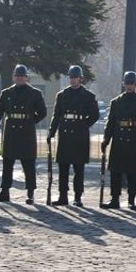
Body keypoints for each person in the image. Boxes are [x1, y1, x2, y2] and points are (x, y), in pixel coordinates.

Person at [0, 64, 47, 203]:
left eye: (22, 76)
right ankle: (5, 190)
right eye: (17, 76)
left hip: (26, 130)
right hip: (11, 129)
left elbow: (42, 112)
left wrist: (30, 120)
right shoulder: (6, 93)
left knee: (28, 162)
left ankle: (30, 192)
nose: (19, 78)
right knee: (8, 162)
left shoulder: (35, 93)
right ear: (14, 77)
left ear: (26, 78)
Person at [47, 65, 100, 207]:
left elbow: (95, 115)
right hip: (65, 133)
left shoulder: (88, 96)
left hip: (79, 135)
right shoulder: (62, 95)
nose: (73, 80)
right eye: (71, 77)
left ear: (80, 79)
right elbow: (56, 115)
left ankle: (77, 197)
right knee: (63, 168)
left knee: (78, 168)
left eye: (75, 77)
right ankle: (62, 196)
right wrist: (51, 132)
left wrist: (83, 125)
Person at [100, 71, 136, 210]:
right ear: (123, 84)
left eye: (132, 84)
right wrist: (106, 139)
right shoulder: (116, 102)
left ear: (135, 85)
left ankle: (131, 199)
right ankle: (114, 198)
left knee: (132, 171)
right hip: (118, 139)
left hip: (133, 140)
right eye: (127, 83)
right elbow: (110, 123)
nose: (129, 86)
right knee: (115, 171)